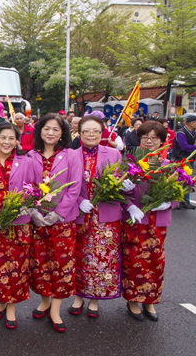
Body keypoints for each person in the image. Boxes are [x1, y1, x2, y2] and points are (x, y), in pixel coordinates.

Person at [69, 115, 140, 318]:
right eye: (86, 131)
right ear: (79, 133)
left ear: (102, 133)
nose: (91, 135)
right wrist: (79, 201)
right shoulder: (71, 155)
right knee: (80, 258)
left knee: (102, 260)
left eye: (96, 131)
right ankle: (78, 297)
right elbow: (66, 187)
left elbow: (119, 185)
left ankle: (94, 300)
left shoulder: (114, 153)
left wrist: (127, 189)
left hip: (106, 216)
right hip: (82, 214)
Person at [27, 113, 82, 333]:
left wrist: (58, 214)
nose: (51, 133)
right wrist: (33, 212)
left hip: (63, 221)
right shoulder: (30, 155)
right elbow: (25, 185)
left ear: (63, 133)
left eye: (56, 129)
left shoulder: (71, 155)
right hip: (37, 221)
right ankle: (44, 301)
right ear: (40, 131)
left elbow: (74, 188)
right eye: (47, 128)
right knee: (40, 262)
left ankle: (55, 311)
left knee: (60, 264)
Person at [0, 122, 37, 329]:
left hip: (18, 224)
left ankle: (11, 308)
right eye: (3, 137)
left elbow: (35, 189)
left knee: (16, 267)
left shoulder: (26, 162)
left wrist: (27, 206)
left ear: (17, 141)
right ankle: (1, 301)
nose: (7, 142)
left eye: (11, 138)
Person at [122, 120, 176, 322]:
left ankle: (150, 301)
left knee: (155, 262)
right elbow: (120, 193)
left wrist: (169, 202)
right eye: (145, 137)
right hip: (135, 221)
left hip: (156, 222)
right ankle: (133, 300)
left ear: (162, 141)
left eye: (154, 138)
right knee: (133, 261)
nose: (149, 141)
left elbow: (179, 192)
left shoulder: (169, 166)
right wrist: (128, 203)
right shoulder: (130, 164)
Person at [172, 114, 196, 209]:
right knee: (178, 180)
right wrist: (194, 146)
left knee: (188, 181)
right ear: (192, 123)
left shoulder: (193, 133)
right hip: (180, 159)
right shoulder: (181, 133)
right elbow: (184, 147)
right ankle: (175, 201)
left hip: (190, 159)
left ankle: (185, 201)